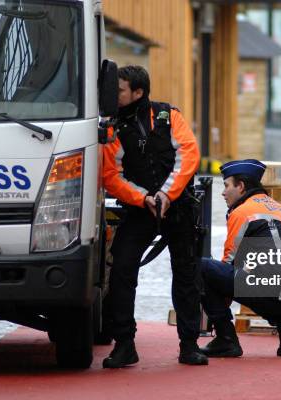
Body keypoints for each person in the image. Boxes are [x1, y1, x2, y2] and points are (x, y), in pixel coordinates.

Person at [101, 65, 207, 368]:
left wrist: (165, 195)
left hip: (178, 207)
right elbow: (111, 176)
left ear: (138, 92)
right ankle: (124, 343)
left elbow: (189, 155)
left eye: (119, 90)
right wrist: (144, 198)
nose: (113, 95)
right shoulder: (112, 128)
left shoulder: (169, 115)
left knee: (187, 275)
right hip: (140, 208)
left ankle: (189, 345)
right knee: (121, 269)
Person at [199, 159, 281, 358]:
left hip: (272, 291)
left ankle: (226, 339)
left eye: (226, 185)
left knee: (202, 267)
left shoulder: (242, 212)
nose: (223, 192)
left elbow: (229, 262)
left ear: (241, 186)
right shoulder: (278, 208)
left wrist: (214, 303)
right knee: (267, 277)